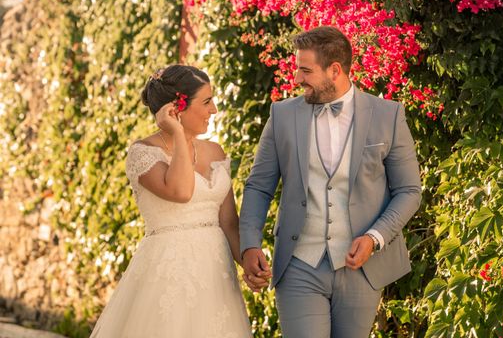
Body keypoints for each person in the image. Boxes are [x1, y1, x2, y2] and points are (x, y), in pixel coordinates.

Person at [239, 26, 422, 338]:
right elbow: (259, 185)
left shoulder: (387, 115)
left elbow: (408, 190)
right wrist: (249, 244)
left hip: (362, 269)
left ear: (335, 70)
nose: (297, 79)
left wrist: (374, 238)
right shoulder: (282, 115)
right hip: (299, 264)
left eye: (305, 70)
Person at [90, 64, 251, 337]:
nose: (214, 110)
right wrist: (177, 134)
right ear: (177, 107)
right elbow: (181, 192)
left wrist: (247, 262)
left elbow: (228, 222)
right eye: (207, 102)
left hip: (217, 278)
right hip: (168, 277)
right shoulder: (143, 153)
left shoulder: (215, 151)